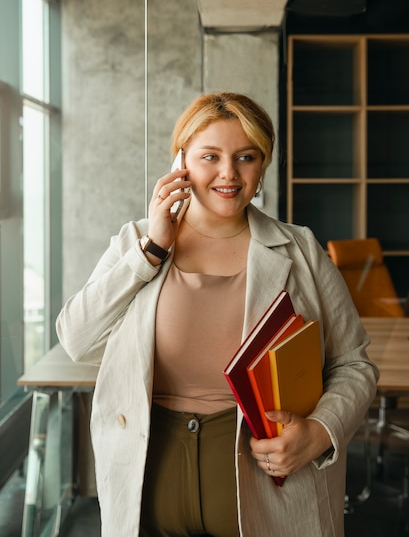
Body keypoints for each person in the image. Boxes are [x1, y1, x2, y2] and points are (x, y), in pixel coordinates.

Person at [56, 92, 378, 537]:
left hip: (270, 488)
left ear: (262, 165)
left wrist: (321, 432)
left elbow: (354, 363)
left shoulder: (301, 248)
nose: (229, 173)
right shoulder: (137, 241)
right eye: (211, 156)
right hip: (149, 483)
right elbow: (77, 338)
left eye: (245, 157)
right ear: (181, 161)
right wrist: (151, 251)